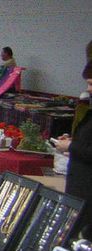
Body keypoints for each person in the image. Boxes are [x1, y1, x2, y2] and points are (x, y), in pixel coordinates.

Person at [55, 60, 92, 239]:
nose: (88, 89)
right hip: (80, 188)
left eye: (91, 83)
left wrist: (71, 146)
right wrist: (72, 143)